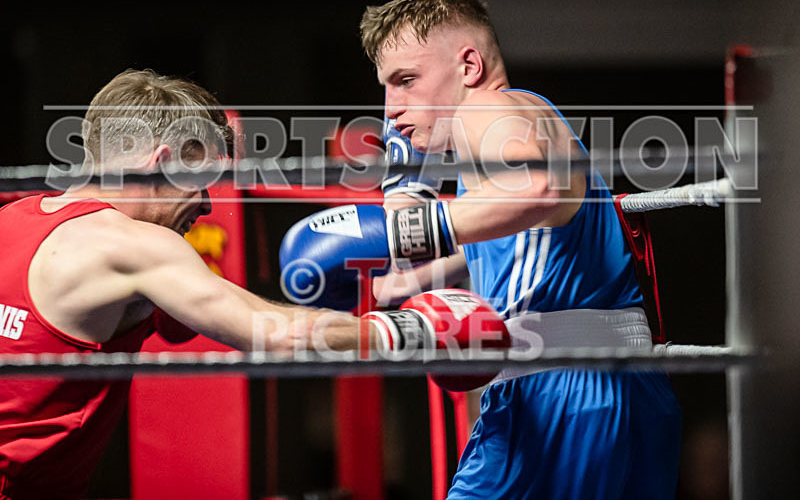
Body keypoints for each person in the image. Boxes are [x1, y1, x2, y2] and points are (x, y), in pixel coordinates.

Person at [0, 69, 506, 500]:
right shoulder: (132, 246)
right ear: (161, 163)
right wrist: (416, 330)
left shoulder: (15, 217)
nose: (203, 206)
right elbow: (278, 335)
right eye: (200, 184)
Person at [282, 0, 681, 499]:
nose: (391, 108)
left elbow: (538, 189)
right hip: (631, 388)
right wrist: (406, 204)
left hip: (554, 391)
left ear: (469, 67)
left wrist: (406, 227)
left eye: (406, 80)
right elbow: (522, 240)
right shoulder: (525, 121)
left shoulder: (484, 112)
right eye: (386, 87)